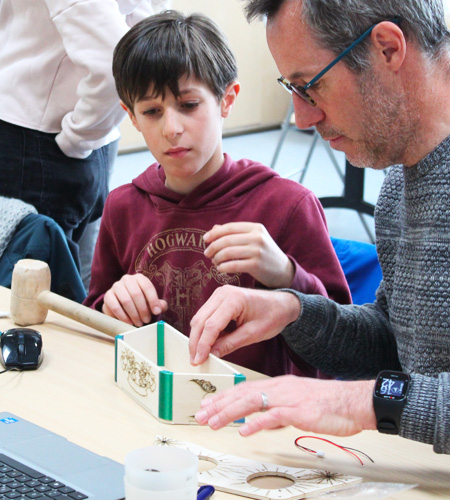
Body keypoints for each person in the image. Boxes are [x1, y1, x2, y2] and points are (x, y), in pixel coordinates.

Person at [190, 0, 450, 454]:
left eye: (311, 87)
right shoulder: (399, 186)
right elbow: (402, 347)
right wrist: (295, 312)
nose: (302, 117)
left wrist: (362, 402)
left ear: (387, 49)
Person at [84, 10, 351, 377]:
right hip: (146, 405)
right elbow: (94, 319)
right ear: (131, 117)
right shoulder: (123, 207)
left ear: (227, 100)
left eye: (189, 105)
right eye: (151, 111)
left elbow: (344, 346)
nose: (172, 128)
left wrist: (287, 275)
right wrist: (110, 306)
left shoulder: (287, 206)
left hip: (251, 416)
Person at [0, 0, 168, 294]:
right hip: (77, 139)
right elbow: (143, 21)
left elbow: (115, 60)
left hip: (39, 142)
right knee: (76, 279)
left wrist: (77, 137)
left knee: (33, 301)